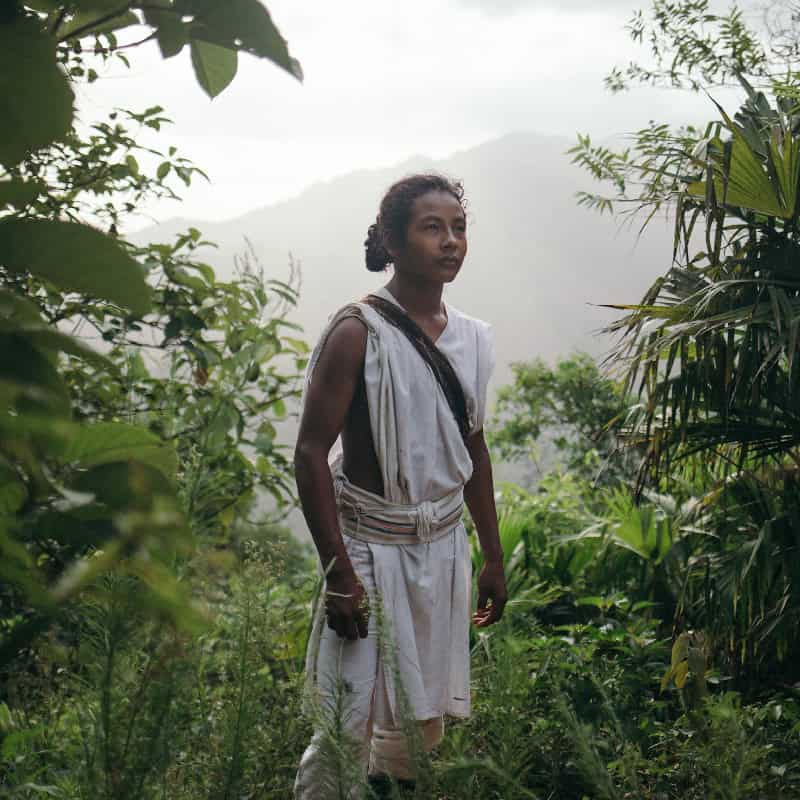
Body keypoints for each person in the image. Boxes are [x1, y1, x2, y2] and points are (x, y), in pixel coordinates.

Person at [293, 173, 507, 799]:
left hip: (441, 552)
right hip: (367, 548)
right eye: (432, 228)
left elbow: (472, 447)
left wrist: (491, 555)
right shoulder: (357, 332)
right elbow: (310, 453)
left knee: (419, 726)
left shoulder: (470, 337)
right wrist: (339, 573)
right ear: (392, 239)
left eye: (459, 228)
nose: (451, 242)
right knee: (344, 722)